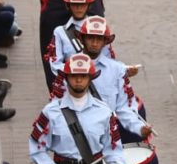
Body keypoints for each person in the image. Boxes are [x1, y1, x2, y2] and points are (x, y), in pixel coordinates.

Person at [54, 17, 153, 145]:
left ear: (105, 42)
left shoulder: (117, 70)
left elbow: (124, 109)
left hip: (109, 139)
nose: (95, 43)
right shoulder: (66, 71)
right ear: (82, 39)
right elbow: (58, 109)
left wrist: (139, 128)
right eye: (90, 38)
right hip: (80, 141)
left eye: (99, 39)